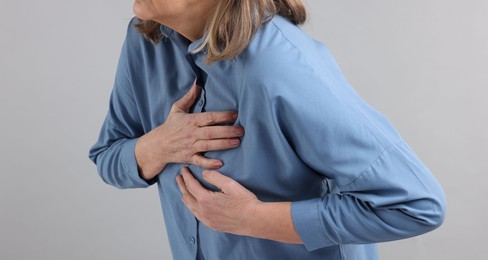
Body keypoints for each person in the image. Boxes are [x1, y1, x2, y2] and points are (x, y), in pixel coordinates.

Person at [89, 0, 446, 259]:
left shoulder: (280, 67)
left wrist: (254, 219)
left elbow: (417, 205)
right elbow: (107, 156)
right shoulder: (144, 39)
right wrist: (158, 146)